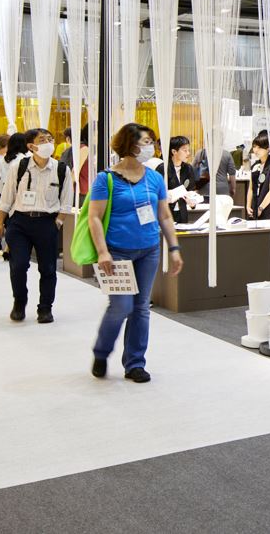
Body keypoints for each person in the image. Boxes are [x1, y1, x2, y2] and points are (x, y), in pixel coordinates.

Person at [86, 123, 183, 383]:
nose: (151, 146)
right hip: (117, 251)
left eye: (152, 141)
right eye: (146, 141)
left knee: (141, 307)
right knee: (121, 305)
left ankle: (135, 363)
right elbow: (94, 218)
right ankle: (101, 351)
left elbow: (164, 215)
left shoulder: (154, 178)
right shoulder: (106, 178)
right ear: (130, 144)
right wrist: (102, 252)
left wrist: (174, 248)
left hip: (149, 249)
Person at [0, 127, 74, 324]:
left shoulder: (61, 169)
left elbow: (66, 203)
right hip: (20, 222)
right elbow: (7, 197)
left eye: (50, 139)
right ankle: (19, 302)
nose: (48, 143)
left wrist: (57, 223)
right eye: (42, 140)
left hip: (47, 223)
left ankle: (45, 308)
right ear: (31, 146)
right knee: (18, 265)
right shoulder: (19, 167)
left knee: (48, 268)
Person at [162, 136, 198, 224]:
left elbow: (191, 189)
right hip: (166, 214)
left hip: (182, 213)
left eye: (188, 150)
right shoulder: (163, 168)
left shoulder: (188, 168)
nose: (188, 153)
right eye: (185, 150)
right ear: (174, 152)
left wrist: (193, 200)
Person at [246, 135, 270, 221]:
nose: (256, 150)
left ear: (268, 149)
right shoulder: (255, 165)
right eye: (254, 147)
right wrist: (248, 205)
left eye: (259, 147)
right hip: (256, 206)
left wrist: (260, 208)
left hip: (269, 208)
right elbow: (251, 188)